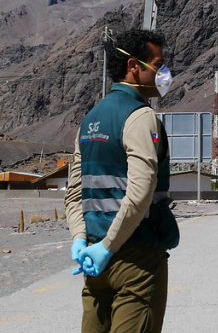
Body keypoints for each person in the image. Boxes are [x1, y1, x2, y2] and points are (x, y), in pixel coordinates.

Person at [65, 28, 179, 333]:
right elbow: (140, 193)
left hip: (95, 264)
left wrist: (81, 239)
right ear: (133, 66)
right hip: (136, 261)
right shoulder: (141, 117)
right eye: (158, 65)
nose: (164, 73)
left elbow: (74, 192)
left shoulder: (89, 120)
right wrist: (108, 246)